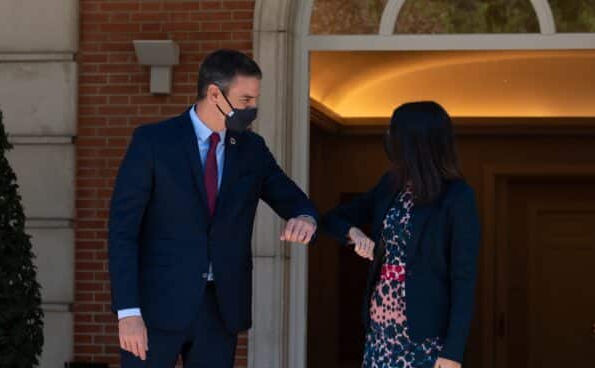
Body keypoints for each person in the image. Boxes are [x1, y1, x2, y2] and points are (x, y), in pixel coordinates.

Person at [108, 49, 318, 367]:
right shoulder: (153, 142)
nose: (253, 108)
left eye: (255, 100)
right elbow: (123, 231)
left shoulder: (252, 149)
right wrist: (128, 312)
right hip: (155, 309)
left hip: (220, 310)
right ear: (214, 93)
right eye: (246, 100)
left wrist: (305, 217)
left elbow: (292, 198)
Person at [321, 101, 481, 368]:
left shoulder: (457, 197)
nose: (388, 138)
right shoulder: (390, 186)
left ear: (412, 140)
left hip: (426, 338)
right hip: (381, 333)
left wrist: (453, 351)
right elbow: (332, 219)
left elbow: (464, 278)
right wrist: (354, 234)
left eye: (392, 131)